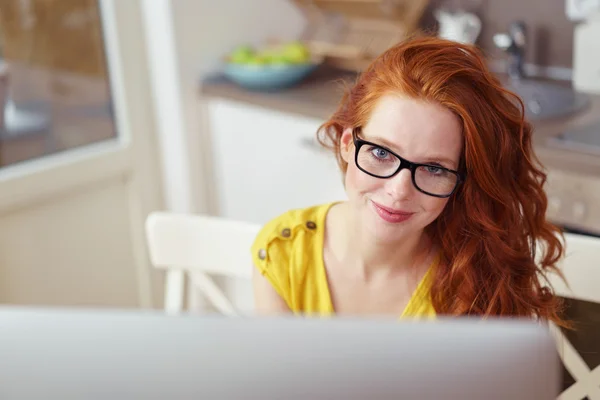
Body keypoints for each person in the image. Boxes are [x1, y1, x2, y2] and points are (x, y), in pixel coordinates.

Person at [251, 36, 567, 326]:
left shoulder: (477, 276)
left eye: (434, 169)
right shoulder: (283, 251)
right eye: (380, 152)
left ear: (461, 180)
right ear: (348, 144)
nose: (399, 190)